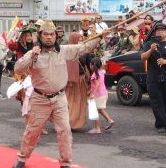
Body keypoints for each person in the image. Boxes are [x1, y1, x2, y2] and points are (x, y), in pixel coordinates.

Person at [12, 20, 107, 168]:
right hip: (39, 99)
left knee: (65, 131)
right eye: (45, 34)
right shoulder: (33, 53)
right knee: (32, 132)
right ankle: (22, 158)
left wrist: (100, 37)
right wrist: (31, 56)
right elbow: (17, 68)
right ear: (40, 36)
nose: (49, 37)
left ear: (56, 36)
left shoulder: (64, 50)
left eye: (52, 34)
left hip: (59, 98)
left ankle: (65, 162)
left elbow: (83, 48)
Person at [141, 23, 166, 133]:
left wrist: (165, 61)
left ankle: (160, 123)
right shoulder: (149, 44)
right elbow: (143, 57)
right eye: (157, 30)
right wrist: (151, 50)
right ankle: (163, 125)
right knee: (156, 102)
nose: (159, 32)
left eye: (162, 30)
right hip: (153, 78)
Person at [65, 32, 88, 130]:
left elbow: (86, 64)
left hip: (81, 80)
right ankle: (67, 122)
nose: (81, 41)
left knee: (79, 102)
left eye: (82, 39)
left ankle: (75, 123)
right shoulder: (68, 51)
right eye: (79, 39)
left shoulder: (83, 51)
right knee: (69, 103)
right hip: (70, 83)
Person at [88, 57, 114, 134]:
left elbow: (97, 85)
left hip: (97, 95)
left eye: (90, 64)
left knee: (94, 111)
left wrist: (92, 94)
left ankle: (97, 128)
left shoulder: (94, 75)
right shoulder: (101, 72)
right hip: (104, 94)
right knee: (100, 110)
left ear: (92, 65)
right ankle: (110, 120)